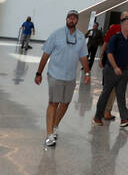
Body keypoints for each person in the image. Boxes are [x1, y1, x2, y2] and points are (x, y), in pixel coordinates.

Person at [35, 9, 90, 147]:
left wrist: (88, 73)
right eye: (69, 18)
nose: (71, 20)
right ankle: (49, 135)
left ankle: (54, 126)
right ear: (66, 19)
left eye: (74, 18)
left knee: (65, 103)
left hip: (70, 76)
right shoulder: (56, 34)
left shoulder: (81, 38)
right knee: (54, 102)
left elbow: (83, 57)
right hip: (55, 74)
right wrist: (38, 73)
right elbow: (46, 54)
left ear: (77, 20)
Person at [93, 14, 128, 128]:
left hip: (124, 71)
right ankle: (97, 117)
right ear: (122, 26)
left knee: (121, 95)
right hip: (111, 70)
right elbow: (110, 53)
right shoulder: (115, 38)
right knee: (106, 93)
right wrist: (115, 67)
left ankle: (124, 119)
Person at [101, 12, 128, 119]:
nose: (127, 20)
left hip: (123, 65)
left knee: (118, 90)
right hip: (112, 64)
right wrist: (101, 56)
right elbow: (106, 42)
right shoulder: (114, 29)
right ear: (121, 19)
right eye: (125, 18)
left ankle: (109, 112)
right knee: (109, 88)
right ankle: (104, 111)